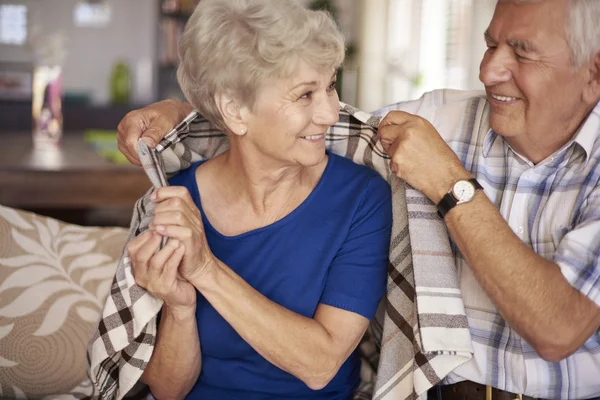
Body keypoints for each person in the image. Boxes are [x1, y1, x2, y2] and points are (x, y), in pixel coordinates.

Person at [118, 0, 600, 398]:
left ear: (593, 73)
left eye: (522, 50)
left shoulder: (373, 186)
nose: (489, 70)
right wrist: (179, 112)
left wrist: (451, 183)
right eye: (491, 44)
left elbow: (561, 327)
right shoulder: (442, 118)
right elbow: (301, 119)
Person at [123, 0, 392, 399]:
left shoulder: (360, 198)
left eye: (331, 85)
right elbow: (166, 391)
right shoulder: (179, 200)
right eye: (305, 95)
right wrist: (179, 308)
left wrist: (205, 271)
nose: (331, 113)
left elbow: (320, 364)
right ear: (235, 110)